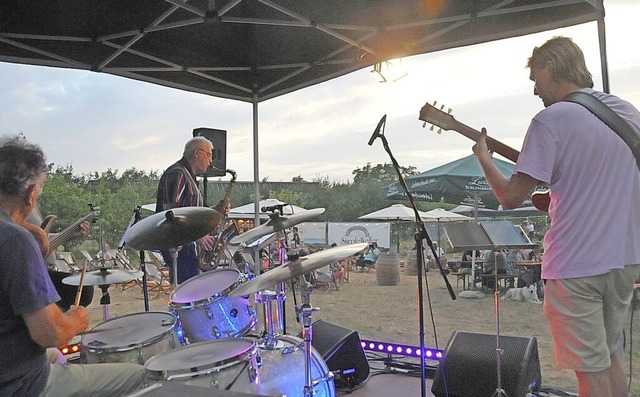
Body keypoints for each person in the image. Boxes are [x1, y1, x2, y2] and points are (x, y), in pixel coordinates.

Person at [472, 36, 640, 397]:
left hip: (576, 264)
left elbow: (511, 197)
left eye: (535, 78)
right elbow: (601, 181)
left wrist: (485, 161)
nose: (535, 90)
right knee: (610, 356)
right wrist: (555, 200)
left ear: (550, 67)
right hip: (624, 260)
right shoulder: (628, 114)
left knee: (589, 373)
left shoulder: (552, 119)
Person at [0, 135, 144, 396]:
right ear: (30, 194)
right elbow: (50, 334)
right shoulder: (16, 242)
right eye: (41, 187)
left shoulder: (15, 235)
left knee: (56, 355)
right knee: (141, 376)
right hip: (21, 385)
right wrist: (75, 323)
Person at [156, 136, 216, 285]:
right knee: (188, 297)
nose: (211, 161)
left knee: (193, 296)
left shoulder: (188, 175)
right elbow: (172, 215)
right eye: (208, 155)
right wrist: (198, 236)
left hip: (185, 244)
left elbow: (190, 212)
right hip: (178, 246)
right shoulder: (178, 173)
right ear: (197, 153)